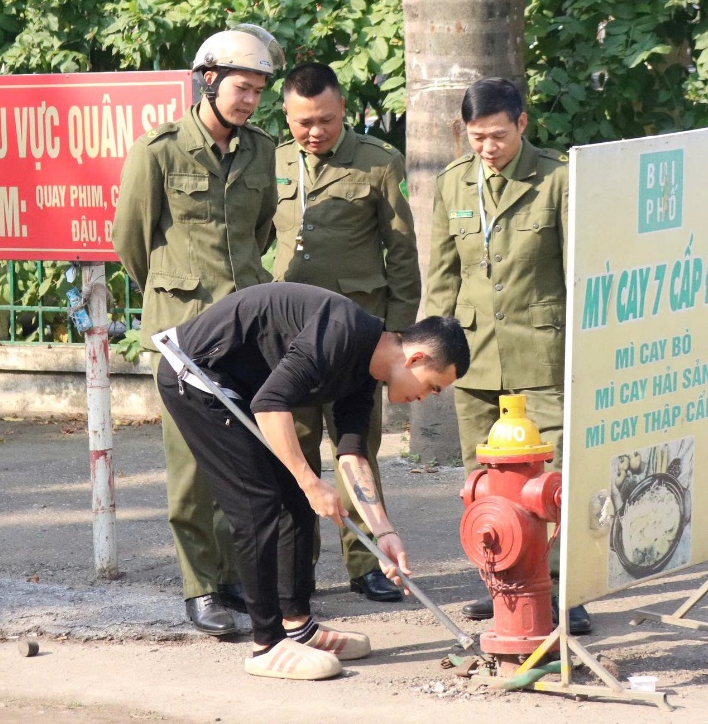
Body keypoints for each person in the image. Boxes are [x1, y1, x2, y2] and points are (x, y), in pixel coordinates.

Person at [152, 282, 470, 680]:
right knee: (259, 503)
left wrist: (384, 532)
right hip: (196, 372)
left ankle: (297, 626)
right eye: (432, 386)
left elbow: (352, 455)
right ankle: (266, 645)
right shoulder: (343, 331)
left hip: (238, 384)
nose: (426, 398)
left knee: (296, 501)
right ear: (416, 357)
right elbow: (270, 405)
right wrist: (308, 481)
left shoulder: (365, 370)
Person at [113, 25, 281, 636]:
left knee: (249, 458)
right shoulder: (157, 151)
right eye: (241, 87)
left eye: (259, 91)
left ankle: (239, 578)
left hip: (244, 328)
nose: (249, 100)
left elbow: (260, 232)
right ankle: (200, 588)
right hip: (183, 336)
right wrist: (176, 292)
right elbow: (132, 243)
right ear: (208, 80)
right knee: (192, 467)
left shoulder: (261, 151)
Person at [422, 77, 592, 635]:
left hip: (538, 349)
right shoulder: (453, 185)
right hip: (475, 355)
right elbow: (443, 276)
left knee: (548, 479)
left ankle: (564, 591)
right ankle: (499, 582)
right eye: (476, 137)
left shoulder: (557, 180)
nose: (487, 147)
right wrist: (432, 351)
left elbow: (577, 272)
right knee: (483, 476)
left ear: (522, 124)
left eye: (497, 135)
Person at [272, 63, 420, 604]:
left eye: (327, 121)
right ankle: (300, 563)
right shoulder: (275, 160)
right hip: (292, 337)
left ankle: (367, 563)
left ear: (344, 112)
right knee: (297, 448)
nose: (315, 132)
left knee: (356, 447)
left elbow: (403, 253)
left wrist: (397, 334)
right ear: (286, 114)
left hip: (359, 336)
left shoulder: (379, 162)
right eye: (304, 122)